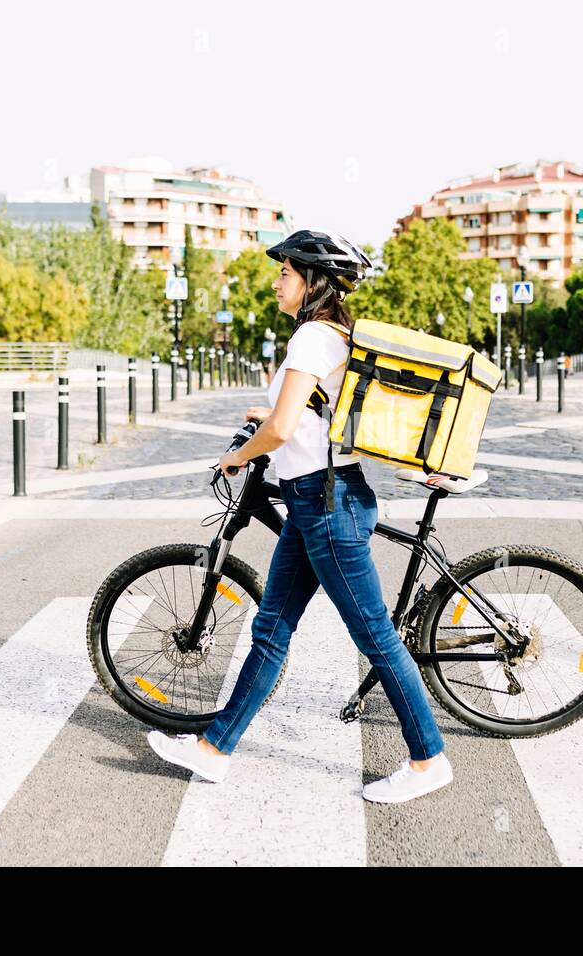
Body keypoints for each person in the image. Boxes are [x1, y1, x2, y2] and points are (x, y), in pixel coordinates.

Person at [147, 228, 452, 804]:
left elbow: (284, 430)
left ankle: (428, 758)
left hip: (325, 506)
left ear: (312, 281)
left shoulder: (313, 335)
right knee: (271, 629)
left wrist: (239, 455)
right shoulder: (334, 333)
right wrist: (272, 416)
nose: (276, 281)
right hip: (319, 500)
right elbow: (310, 413)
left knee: (377, 639)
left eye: (285, 272)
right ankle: (214, 750)